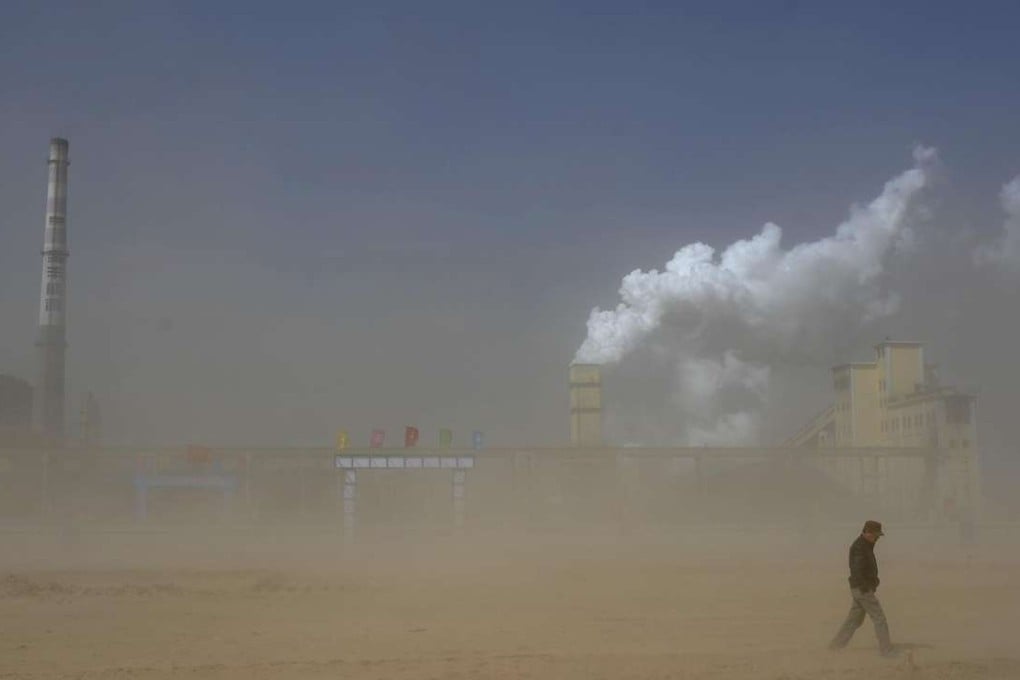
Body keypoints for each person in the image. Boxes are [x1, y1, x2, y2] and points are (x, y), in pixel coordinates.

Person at [828, 520, 897, 657]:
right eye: (876, 535)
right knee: (879, 618)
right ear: (868, 532)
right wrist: (866, 587)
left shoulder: (865, 545)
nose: (877, 538)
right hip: (862, 589)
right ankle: (886, 651)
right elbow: (857, 570)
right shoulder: (860, 547)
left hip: (859, 589)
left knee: (854, 620)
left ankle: (836, 646)